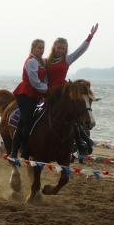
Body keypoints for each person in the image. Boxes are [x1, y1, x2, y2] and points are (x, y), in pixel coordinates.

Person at [45, 23, 98, 155]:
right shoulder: (46, 61)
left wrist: (90, 36)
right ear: (54, 48)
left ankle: (82, 141)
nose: (60, 50)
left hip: (62, 92)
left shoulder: (67, 59)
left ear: (66, 49)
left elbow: (81, 50)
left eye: (63, 48)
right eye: (58, 48)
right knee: (39, 112)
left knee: (74, 114)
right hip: (49, 92)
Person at [9, 39, 48, 161]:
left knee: (28, 121)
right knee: (25, 121)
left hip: (35, 95)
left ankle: (22, 150)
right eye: (38, 48)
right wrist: (48, 89)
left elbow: (45, 79)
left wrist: (47, 87)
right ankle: (17, 150)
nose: (41, 50)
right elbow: (35, 82)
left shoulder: (42, 62)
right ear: (33, 48)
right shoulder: (31, 61)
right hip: (25, 93)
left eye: (42, 48)